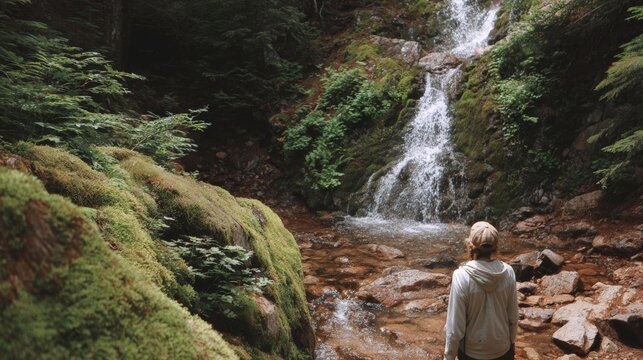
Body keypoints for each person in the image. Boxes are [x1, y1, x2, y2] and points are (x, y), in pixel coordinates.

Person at [443, 221, 519, 360]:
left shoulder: (461, 276)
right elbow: (513, 317)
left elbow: (454, 328)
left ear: (471, 245)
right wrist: (511, 343)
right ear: (495, 247)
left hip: (472, 353)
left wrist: (448, 357)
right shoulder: (508, 272)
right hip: (503, 351)